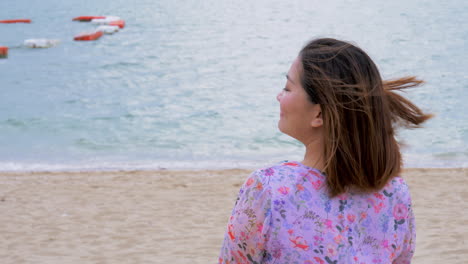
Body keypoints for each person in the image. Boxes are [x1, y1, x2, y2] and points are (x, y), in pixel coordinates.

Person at [218, 38, 432, 264]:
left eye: (288, 88)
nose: (279, 96)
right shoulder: (395, 194)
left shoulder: (269, 189)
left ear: (319, 115)